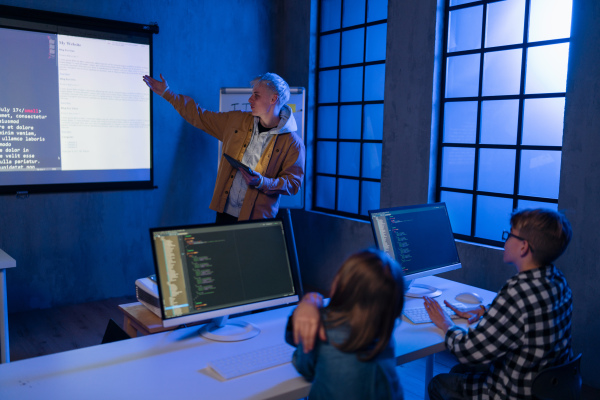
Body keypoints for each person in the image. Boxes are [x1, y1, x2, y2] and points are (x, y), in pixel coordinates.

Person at [424, 208, 573, 400]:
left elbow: (469, 351)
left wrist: (445, 323)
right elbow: (530, 316)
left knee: (438, 383)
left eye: (510, 234)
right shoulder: (558, 280)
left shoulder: (517, 291)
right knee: (460, 370)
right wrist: (485, 310)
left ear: (523, 247)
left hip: (511, 393)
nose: (506, 239)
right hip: (546, 389)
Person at [142, 72, 305, 223]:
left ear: (273, 99)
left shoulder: (293, 143)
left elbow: (293, 184)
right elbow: (200, 116)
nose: (250, 99)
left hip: (257, 221)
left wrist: (262, 182)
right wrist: (167, 93)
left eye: (256, 95)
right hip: (224, 213)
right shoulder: (236, 120)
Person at [286, 249, 405, 400]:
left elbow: (304, 368)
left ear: (342, 286)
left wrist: (307, 303)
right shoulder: (383, 329)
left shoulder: (323, 327)